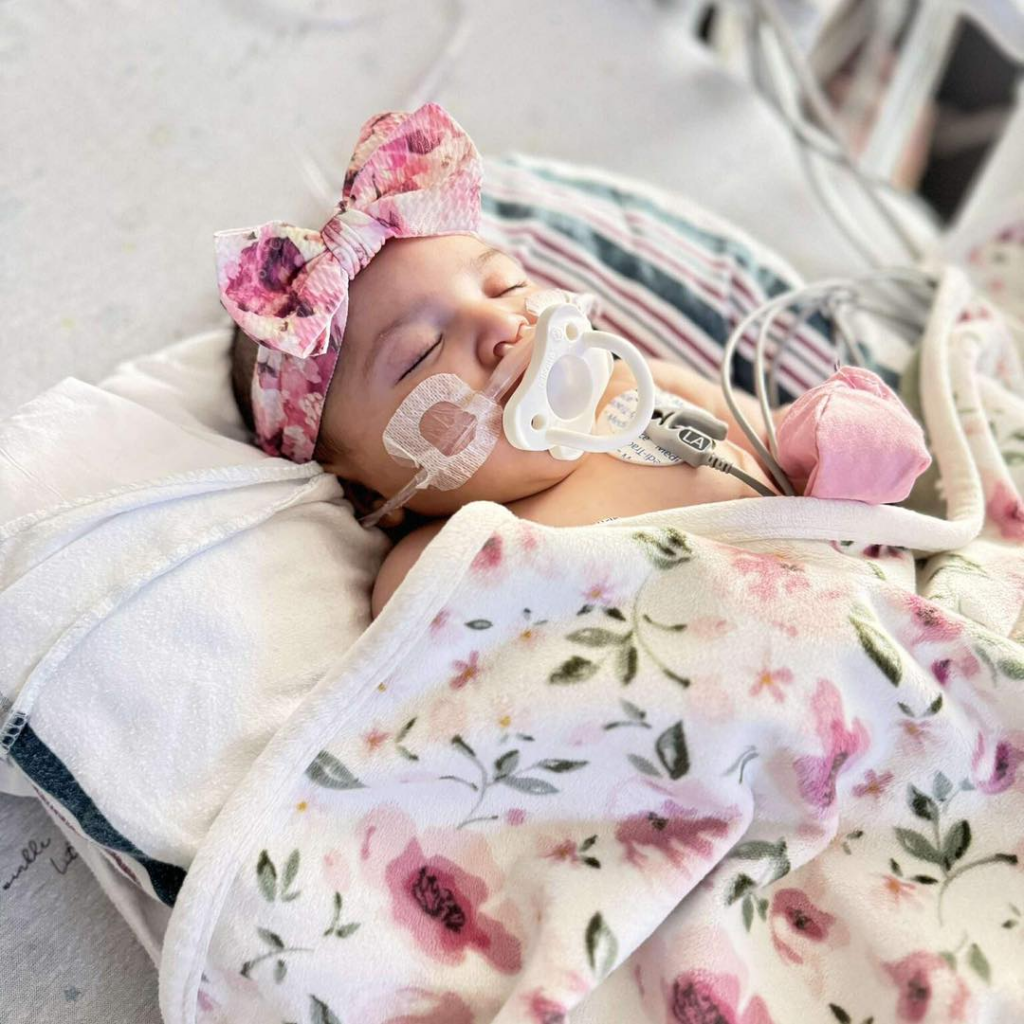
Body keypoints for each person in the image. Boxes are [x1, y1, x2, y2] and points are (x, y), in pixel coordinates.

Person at [217, 104, 801, 617]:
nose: (504, 325)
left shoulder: (634, 387)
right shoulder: (438, 562)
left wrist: (831, 434)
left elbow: (789, 442)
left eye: (505, 286)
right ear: (372, 498)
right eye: (421, 353)